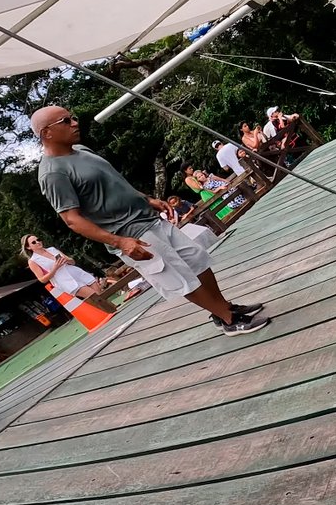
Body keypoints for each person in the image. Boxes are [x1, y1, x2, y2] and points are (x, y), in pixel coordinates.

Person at [31, 105, 269, 336]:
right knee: (179, 277)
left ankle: (224, 308)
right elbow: (72, 220)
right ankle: (228, 320)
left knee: (197, 261)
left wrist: (147, 200)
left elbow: (115, 183)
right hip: (130, 233)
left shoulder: (82, 149)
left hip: (149, 218)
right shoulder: (53, 173)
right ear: (47, 133)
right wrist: (120, 242)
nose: (74, 122)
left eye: (72, 117)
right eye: (66, 121)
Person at [21, 235, 118, 314]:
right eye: (33, 242)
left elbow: (72, 261)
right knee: (93, 295)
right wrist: (55, 268)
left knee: (100, 293)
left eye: (38, 239)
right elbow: (42, 279)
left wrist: (66, 260)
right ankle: (112, 311)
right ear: (29, 247)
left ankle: (112, 310)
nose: (38, 242)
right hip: (64, 280)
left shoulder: (51, 249)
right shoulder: (33, 261)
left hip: (74, 271)